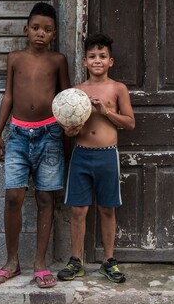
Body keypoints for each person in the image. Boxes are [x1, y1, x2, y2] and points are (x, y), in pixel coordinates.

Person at [0, 2, 70, 288]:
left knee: (46, 199)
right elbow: (8, 96)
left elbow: (66, 99)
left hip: (50, 135)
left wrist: (69, 130)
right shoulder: (15, 58)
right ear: (26, 30)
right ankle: (12, 262)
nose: (40, 34)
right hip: (18, 135)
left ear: (54, 34)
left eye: (47, 30)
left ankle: (40, 264)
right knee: (13, 196)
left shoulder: (58, 60)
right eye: (35, 28)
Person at [57, 33, 135, 283]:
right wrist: (70, 131)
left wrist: (107, 111)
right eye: (92, 56)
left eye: (102, 56)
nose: (97, 60)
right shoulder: (76, 92)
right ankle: (76, 260)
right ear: (84, 61)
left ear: (110, 61)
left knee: (107, 209)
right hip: (82, 155)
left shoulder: (118, 88)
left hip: (106, 156)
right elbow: (71, 126)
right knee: (78, 210)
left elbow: (130, 123)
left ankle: (108, 261)